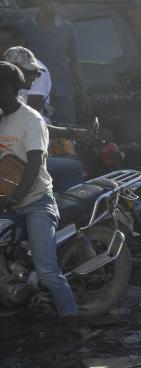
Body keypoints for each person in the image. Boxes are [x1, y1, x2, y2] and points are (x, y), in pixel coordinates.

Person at [0, 62, 79, 329]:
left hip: (36, 203)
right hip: (7, 202)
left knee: (47, 269)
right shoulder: (1, 118)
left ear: (9, 88)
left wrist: (16, 196)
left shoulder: (31, 120)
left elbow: (34, 164)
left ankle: (71, 321)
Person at [3, 45, 84, 191]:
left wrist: (71, 131)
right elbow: (33, 127)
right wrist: (70, 132)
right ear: (13, 70)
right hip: (11, 163)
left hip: (13, 157)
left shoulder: (15, 96)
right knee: (73, 167)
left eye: (36, 73)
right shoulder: (8, 99)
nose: (35, 77)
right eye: (30, 72)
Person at [19, 0, 89, 124]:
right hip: (37, 92)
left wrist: (83, 92)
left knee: (67, 133)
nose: (53, 5)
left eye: (56, 2)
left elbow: (74, 60)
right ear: (39, 2)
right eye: (49, 1)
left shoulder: (67, 28)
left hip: (63, 93)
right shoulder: (25, 27)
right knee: (38, 130)